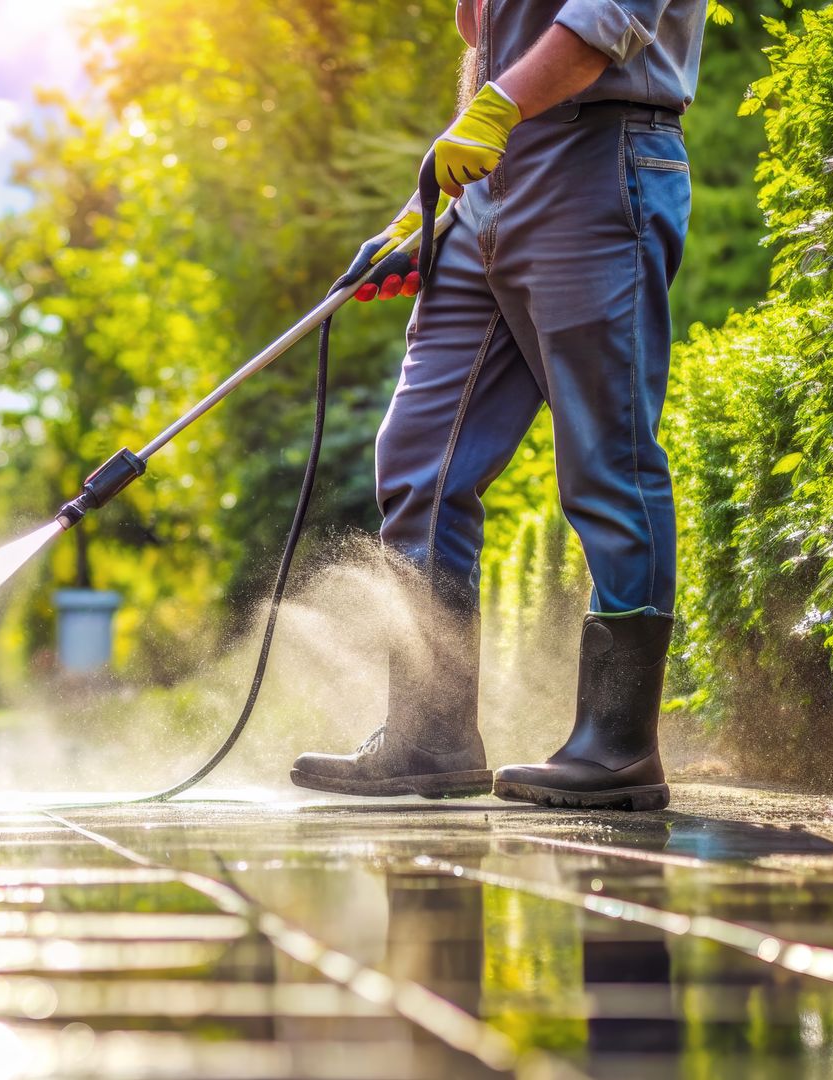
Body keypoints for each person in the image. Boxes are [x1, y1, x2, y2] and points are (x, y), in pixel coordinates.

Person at [290, 0, 706, 812]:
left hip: (601, 156)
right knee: (419, 459)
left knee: (606, 457)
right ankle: (429, 735)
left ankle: (618, 745)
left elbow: (608, 14)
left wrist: (501, 107)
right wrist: (426, 208)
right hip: (488, 185)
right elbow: (484, 42)